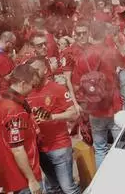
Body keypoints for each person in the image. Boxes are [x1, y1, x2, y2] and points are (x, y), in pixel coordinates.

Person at [26, 57, 80, 194]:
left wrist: (52, 117)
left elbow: (74, 114)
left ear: (45, 70)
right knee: (52, 188)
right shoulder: (26, 92)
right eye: (30, 71)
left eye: (36, 70)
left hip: (59, 147)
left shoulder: (57, 89)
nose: (33, 74)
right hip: (40, 149)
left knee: (68, 188)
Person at [72, 32, 122, 170]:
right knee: (120, 146)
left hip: (95, 108)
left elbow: (76, 85)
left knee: (100, 149)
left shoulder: (82, 58)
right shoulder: (110, 52)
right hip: (114, 105)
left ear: (90, 36)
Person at [0, 64, 42, 194]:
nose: (34, 89)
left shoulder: (0, 102)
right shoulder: (14, 110)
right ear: (23, 83)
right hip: (24, 176)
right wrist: (31, 179)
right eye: (33, 85)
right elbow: (18, 149)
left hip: (13, 174)